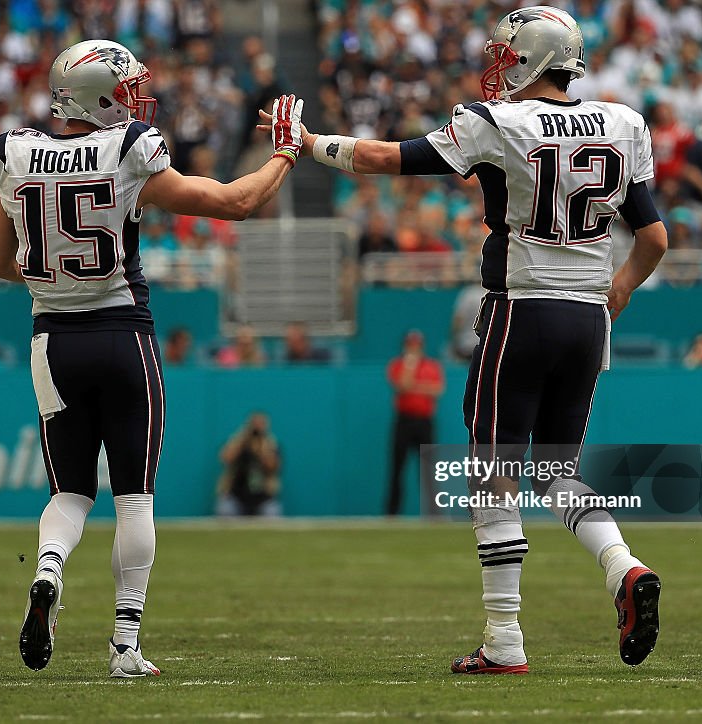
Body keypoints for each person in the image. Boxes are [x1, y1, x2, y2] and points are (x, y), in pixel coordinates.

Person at [269, 6, 668, 674]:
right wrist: (619, 290)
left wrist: (307, 143)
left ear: (534, 59)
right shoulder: (622, 122)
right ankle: (623, 567)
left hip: (522, 310)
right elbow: (653, 238)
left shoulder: (497, 122)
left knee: (493, 477)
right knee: (556, 472)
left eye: (510, 56)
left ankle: (504, 639)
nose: (500, 67)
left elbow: (384, 158)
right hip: (586, 317)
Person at [0, 39, 303, 678]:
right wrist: (286, 154)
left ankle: (48, 570)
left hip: (52, 341)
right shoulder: (128, 146)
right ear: (99, 94)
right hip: (122, 334)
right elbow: (235, 203)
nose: (135, 98)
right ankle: (124, 645)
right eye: (125, 87)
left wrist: (59, 276)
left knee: (70, 491)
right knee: (134, 497)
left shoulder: (11, 153)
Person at [385, 330, 444, 516]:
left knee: (428, 470)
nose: (414, 348)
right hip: (404, 421)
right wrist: (411, 367)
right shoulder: (398, 365)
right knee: (397, 469)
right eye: (411, 344)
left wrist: (415, 387)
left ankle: (434, 513)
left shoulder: (432, 366)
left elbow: (437, 389)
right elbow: (402, 385)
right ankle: (392, 514)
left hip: (424, 422)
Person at [216, 412, 282, 517]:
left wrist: (262, 448)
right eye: (254, 424)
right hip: (236, 496)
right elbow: (225, 458)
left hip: (263, 499)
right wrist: (242, 439)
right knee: (225, 510)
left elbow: (273, 467)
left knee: (272, 513)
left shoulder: (271, 444)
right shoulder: (238, 442)